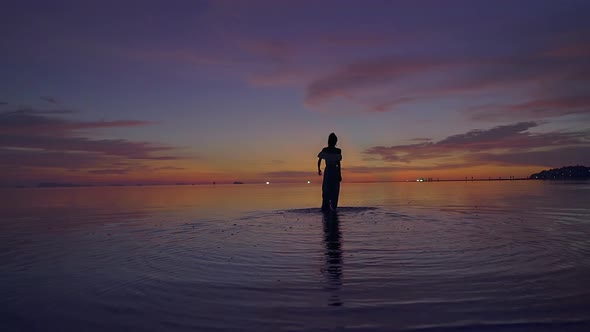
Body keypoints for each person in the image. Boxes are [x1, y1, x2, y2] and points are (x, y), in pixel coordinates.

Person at [317, 133, 342, 211]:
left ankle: (327, 205)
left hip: (329, 170)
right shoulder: (337, 150)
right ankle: (331, 206)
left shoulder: (327, 150)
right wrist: (340, 174)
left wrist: (319, 169)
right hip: (334, 170)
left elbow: (320, 160)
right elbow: (338, 163)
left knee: (327, 188)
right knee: (333, 188)